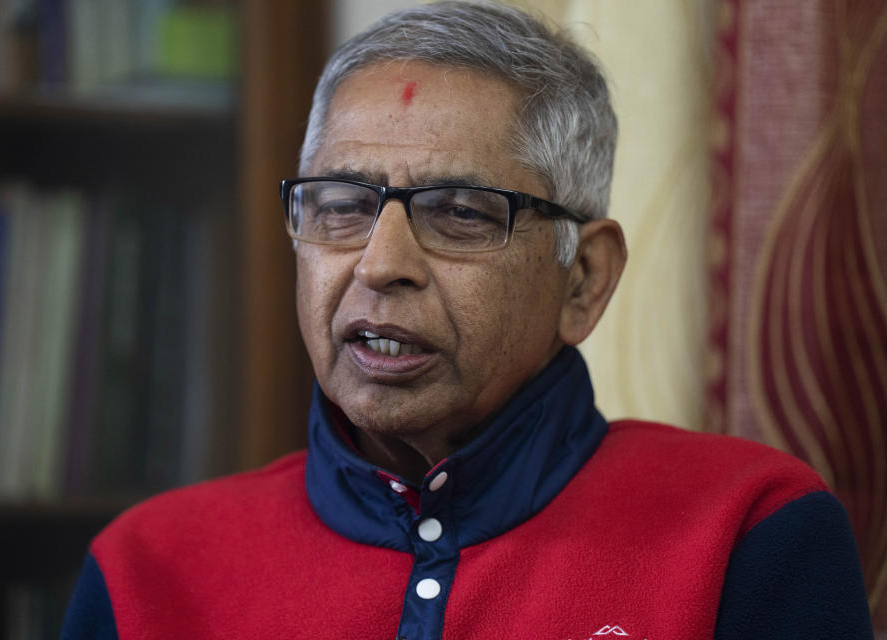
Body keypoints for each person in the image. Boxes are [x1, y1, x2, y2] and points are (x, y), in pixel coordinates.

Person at [60, 2, 874, 639]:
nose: (380, 264)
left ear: (583, 280)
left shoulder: (751, 533)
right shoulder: (146, 570)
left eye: (457, 213)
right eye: (342, 206)